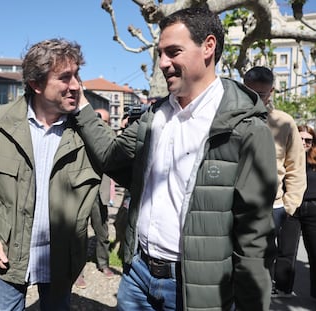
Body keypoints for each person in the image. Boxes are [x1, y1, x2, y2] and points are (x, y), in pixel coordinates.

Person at [75, 7, 278, 311]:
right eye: (160, 54)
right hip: (137, 276)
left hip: (194, 290)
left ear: (208, 46)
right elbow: (110, 156)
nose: (162, 64)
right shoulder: (153, 117)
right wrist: (81, 105)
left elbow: (254, 238)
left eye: (173, 52)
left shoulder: (246, 129)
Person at [0, 38, 101, 311]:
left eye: (77, 75)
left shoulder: (86, 129)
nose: (76, 85)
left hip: (61, 258)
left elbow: (117, 159)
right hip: (6, 251)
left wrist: (87, 113)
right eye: (65, 77)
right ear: (36, 84)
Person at [244, 66, 306, 298]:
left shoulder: (284, 123)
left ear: (271, 92)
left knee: (262, 270)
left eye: (260, 94)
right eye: (249, 93)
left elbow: (296, 167)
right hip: (234, 207)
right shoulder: (229, 119)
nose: (255, 100)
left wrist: (288, 206)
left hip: (272, 209)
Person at [274, 125, 316, 299]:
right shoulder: (287, 157)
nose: (304, 142)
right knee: (286, 249)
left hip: (313, 208)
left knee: (314, 251)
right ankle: (283, 288)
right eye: (301, 139)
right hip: (292, 207)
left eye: (308, 140)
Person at [75, 108, 114, 289]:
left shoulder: (109, 136)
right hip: (81, 191)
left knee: (102, 232)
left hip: (101, 190)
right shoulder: (79, 134)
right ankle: (77, 272)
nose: (99, 123)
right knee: (78, 233)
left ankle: (103, 263)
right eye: (96, 119)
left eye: (103, 121)